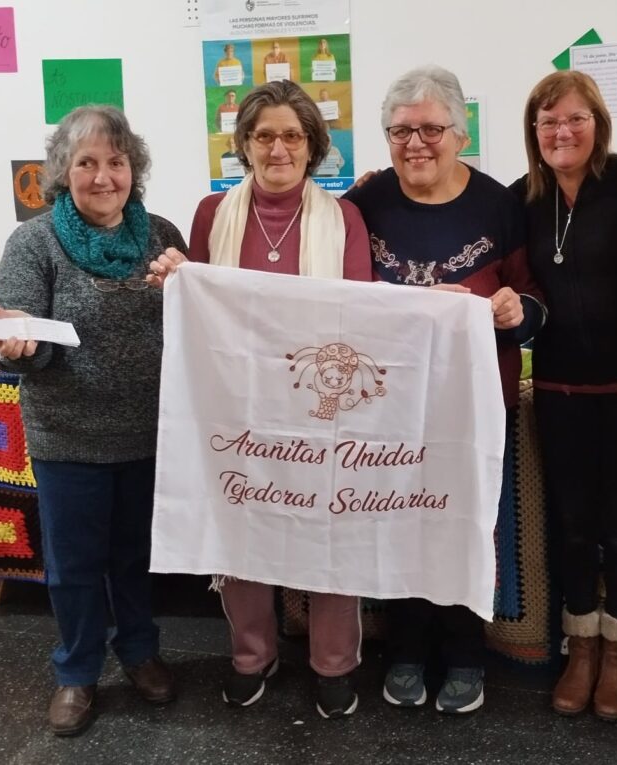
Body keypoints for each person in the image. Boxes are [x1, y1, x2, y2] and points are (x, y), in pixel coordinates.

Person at [148, 79, 370, 719]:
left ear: (313, 145)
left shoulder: (345, 219)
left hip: (319, 409)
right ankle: (252, 656)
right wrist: (174, 279)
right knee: (239, 526)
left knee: (328, 531)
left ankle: (334, 663)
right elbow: (200, 311)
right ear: (244, 144)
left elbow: (357, 318)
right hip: (236, 405)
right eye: (264, 134)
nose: (279, 147)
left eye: (292, 135)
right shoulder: (212, 215)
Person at [343, 64, 545, 715]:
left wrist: (517, 310)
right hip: (388, 403)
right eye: (400, 130)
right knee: (396, 525)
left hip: (474, 401)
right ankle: (405, 649)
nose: (416, 142)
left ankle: (464, 653)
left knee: (465, 526)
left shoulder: (500, 205)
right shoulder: (363, 206)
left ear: (460, 133)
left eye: (431, 128)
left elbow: (536, 297)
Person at [0, 105, 187, 736]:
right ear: (62, 172)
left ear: (135, 169)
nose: (104, 177)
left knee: (133, 556)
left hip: (148, 433)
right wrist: (19, 345)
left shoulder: (160, 234)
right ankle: (75, 673)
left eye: (117, 162)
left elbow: (195, 331)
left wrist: (185, 287)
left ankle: (138, 651)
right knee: (73, 565)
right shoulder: (33, 241)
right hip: (67, 436)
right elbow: (15, 334)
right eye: (87, 163)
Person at [508, 70, 617, 722]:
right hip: (559, 387)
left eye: (574, 118)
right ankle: (581, 645)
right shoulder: (522, 197)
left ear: (597, 122)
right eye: (548, 122)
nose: (561, 131)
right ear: (533, 133)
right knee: (572, 524)